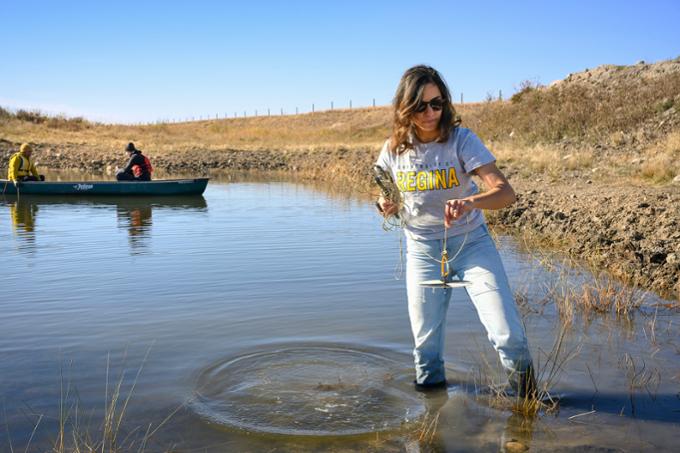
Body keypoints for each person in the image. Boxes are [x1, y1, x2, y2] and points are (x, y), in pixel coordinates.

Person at [376, 65, 536, 397]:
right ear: (406, 107)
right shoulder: (393, 148)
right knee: (426, 349)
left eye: (437, 103)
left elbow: (506, 193)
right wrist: (385, 205)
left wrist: (470, 202)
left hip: (471, 245)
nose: (431, 112)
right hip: (421, 249)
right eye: (421, 106)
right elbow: (385, 195)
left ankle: (528, 405)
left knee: (508, 335)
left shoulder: (461, 140)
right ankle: (431, 424)